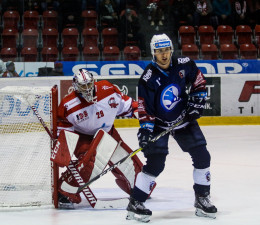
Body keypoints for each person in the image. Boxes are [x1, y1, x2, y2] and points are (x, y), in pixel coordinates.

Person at [125, 34, 217, 222]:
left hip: (183, 118)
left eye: (166, 50)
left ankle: (202, 198)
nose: (164, 54)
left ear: (171, 50)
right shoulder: (147, 78)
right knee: (156, 164)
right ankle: (136, 201)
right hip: (159, 124)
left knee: (202, 156)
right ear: (153, 53)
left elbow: (199, 82)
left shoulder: (184, 64)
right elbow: (144, 108)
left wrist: (196, 103)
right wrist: (145, 131)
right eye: (159, 51)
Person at [55, 69, 155, 208]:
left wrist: (141, 113)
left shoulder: (108, 90)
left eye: (89, 84)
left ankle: (140, 188)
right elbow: (62, 129)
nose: (87, 88)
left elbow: (127, 105)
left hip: (108, 133)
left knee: (127, 165)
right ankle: (64, 190)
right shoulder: (68, 104)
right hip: (84, 138)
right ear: (76, 86)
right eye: (83, 86)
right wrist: (63, 147)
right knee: (88, 164)